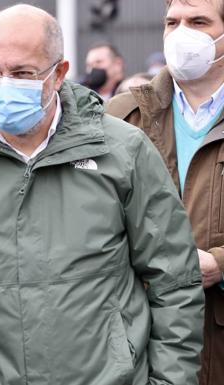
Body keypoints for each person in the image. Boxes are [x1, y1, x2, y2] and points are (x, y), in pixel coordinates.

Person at [0, 4, 204, 385]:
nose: (5, 84)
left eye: (22, 73)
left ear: (59, 73)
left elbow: (174, 279)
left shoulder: (122, 150)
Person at [107, 1, 224, 384]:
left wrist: (220, 263)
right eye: (172, 22)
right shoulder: (119, 117)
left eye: (199, 22)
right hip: (140, 342)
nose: (181, 33)